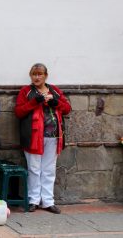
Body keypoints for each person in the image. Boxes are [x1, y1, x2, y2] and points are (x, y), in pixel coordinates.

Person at [14, 63, 71, 214]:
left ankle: (48, 201)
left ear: (46, 76)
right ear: (30, 76)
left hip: (53, 136)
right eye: (34, 74)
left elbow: (67, 108)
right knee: (34, 168)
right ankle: (33, 200)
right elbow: (19, 112)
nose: (37, 77)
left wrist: (55, 102)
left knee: (49, 169)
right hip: (33, 136)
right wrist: (35, 101)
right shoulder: (26, 91)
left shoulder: (55, 90)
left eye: (40, 74)